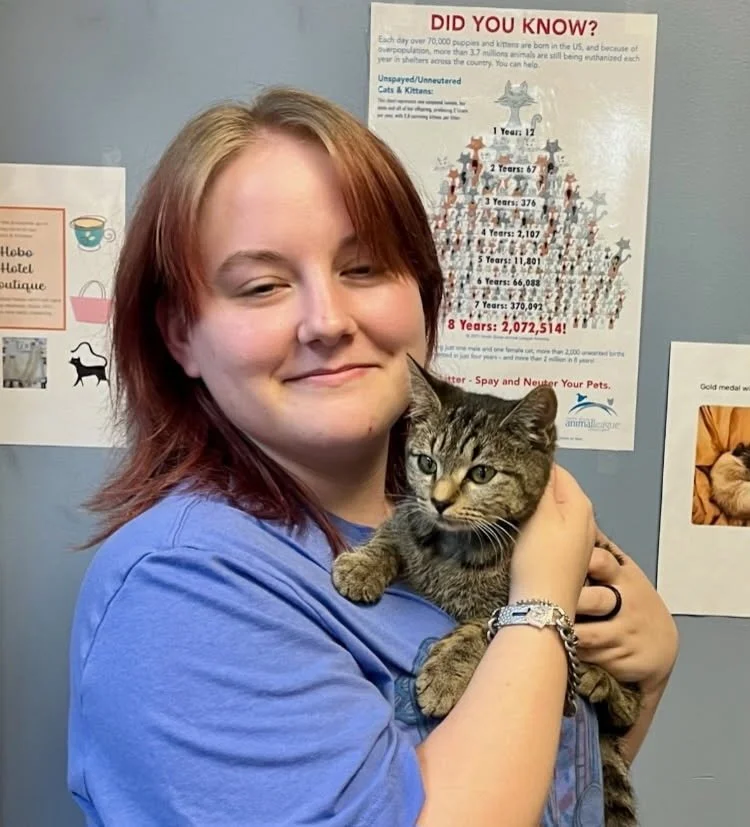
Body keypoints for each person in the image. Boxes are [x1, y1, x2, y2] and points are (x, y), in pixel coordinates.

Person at [67, 86, 678, 827]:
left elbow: (549, 797)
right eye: (262, 286)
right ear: (180, 336)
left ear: (422, 292)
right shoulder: (179, 592)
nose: (327, 321)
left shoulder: (453, 531)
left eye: (362, 269)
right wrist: (539, 610)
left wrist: (644, 679)